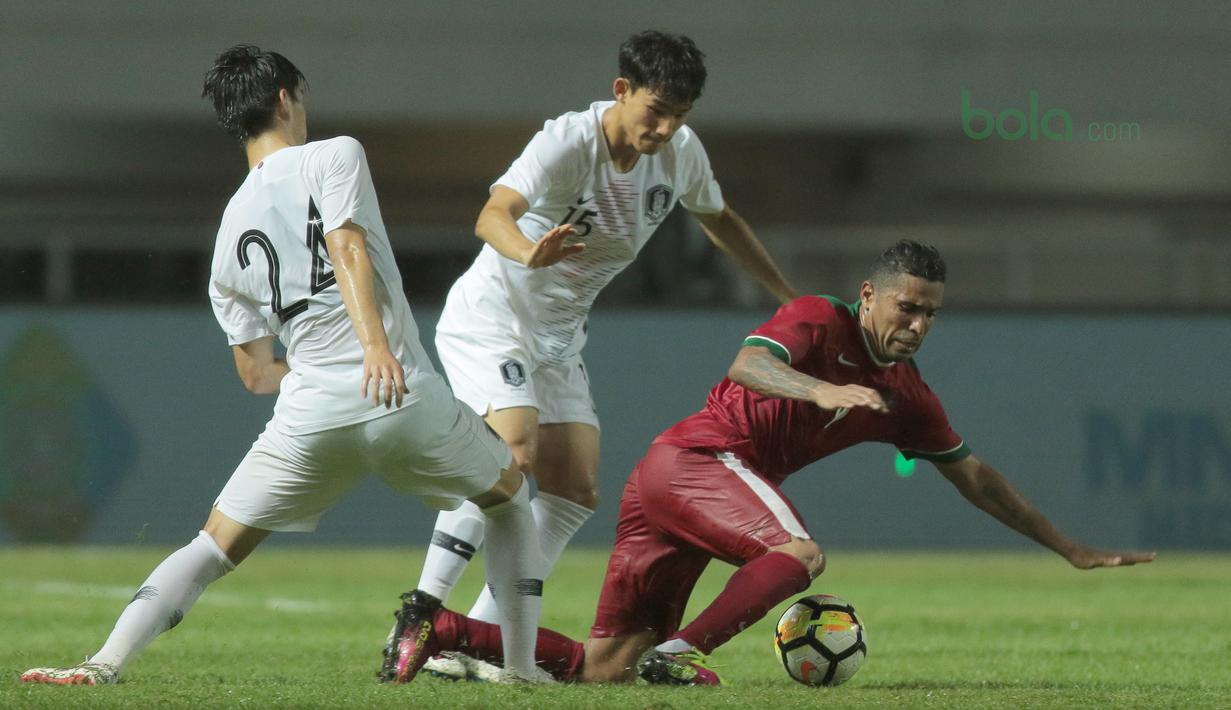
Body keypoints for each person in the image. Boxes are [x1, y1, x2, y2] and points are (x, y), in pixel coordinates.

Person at [386, 240, 1156, 686]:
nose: (917, 324)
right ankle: (685, 654)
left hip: (681, 490)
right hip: (694, 461)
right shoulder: (818, 319)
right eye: (906, 307)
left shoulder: (905, 395)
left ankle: (441, 631)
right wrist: (824, 388)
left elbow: (976, 478)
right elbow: (749, 363)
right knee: (800, 553)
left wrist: (1069, 548)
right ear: (869, 297)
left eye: (929, 314)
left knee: (606, 667)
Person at [20, 45, 547, 687]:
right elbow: (346, 242)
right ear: (284, 99)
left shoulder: (226, 232)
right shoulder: (335, 153)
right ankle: (520, 672)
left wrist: (314, 376)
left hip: (309, 416)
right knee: (512, 499)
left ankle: (102, 664)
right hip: (400, 395)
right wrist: (374, 346)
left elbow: (254, 373)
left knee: (212, 546)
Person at [412, 29, 799, 654]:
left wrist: (785, 293)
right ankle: (422, 610)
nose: (667, 127)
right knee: (513, 451)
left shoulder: (681, 154)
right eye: (657, 110)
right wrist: (529, 253)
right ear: (621, 91)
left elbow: (719, 218)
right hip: (494, 316)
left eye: (680, 115)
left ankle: (475, 635)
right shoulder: (568, 140)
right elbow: (491, 215)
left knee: (575, 490)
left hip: (559, 337)